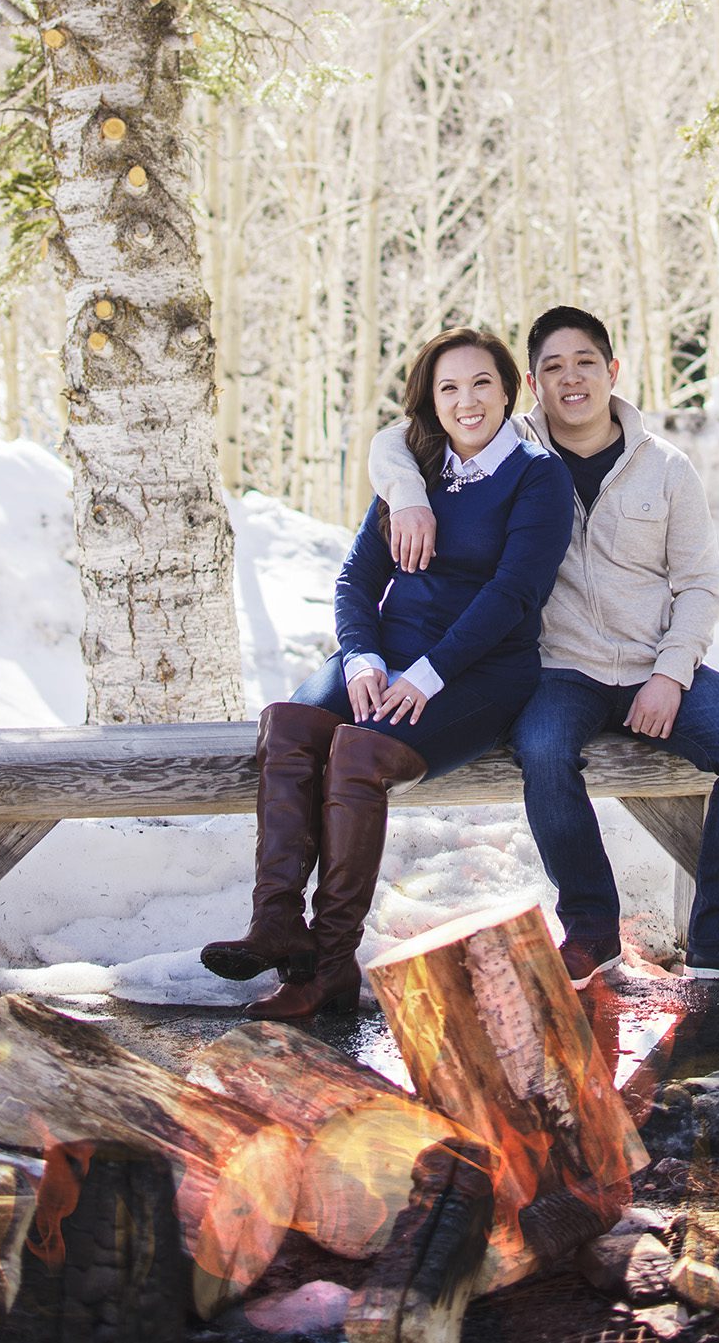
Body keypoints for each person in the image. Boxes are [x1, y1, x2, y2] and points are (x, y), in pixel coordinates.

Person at [370, 304, 719, 989]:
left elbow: (702, 587)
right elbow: (398, 437)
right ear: (531, 384)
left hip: (657, 664)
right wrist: (408, 490)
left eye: (584, 362)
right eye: (552, 367)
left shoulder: (667, 468)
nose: (571, 379)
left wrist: (670, 674)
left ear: (612, 370)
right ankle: (592, 927)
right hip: (562, 669)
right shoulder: (514, 459)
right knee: (543, 749)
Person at [202, 326, 574, 1022]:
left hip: (480, 668)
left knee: (358, 751)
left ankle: (331, 963)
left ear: (512, 390)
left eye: (481, 383)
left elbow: (514, 595)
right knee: (287, 722)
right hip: (389, 652)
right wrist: (364, 657)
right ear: (430, 402)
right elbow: (355, 578)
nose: (466, 401)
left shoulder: (537, 475)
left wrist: (428, 675)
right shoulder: (414, 473)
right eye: (449, 388)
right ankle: (277, 922)